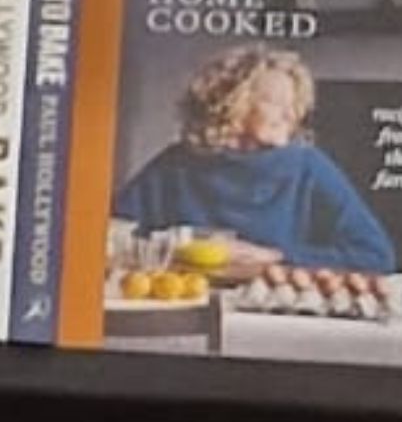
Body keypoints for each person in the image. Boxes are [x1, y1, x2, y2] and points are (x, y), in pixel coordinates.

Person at [113, 41, 398, 274]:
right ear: (231, 103)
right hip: (187, 302)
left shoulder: (307, 166)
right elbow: (111, 240)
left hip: (273, 314)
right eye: (276, 103)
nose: (291, 115)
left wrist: (274, 258)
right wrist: (176, 254)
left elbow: (375, 256)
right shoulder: (176, 165)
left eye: (294, 105)